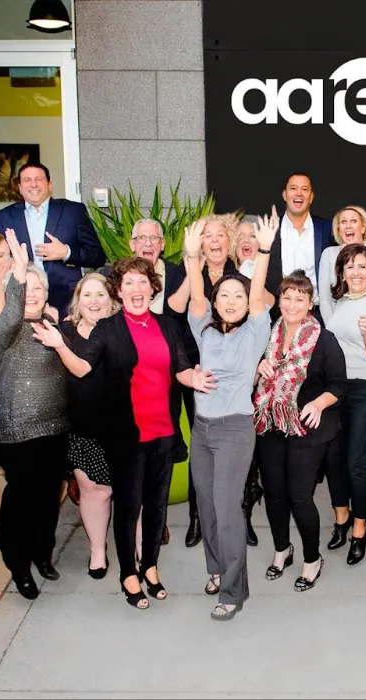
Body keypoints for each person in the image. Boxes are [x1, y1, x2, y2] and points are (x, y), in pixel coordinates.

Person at [34, 261, 210, 609]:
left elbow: (180, 367)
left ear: (152, 287)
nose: (136, 288)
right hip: (126, 434)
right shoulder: (108, 328)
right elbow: (82, 368)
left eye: (142, 281)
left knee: (155, 505)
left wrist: (196, 379)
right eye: (128, 282)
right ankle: (128, 574)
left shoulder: (167, 325)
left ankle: (150, 567)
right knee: (128, 506)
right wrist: (60, 345)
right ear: (119, 290)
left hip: (163, 430)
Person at [183, 210, 277, 621]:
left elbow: (256, 298)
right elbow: (197, 297)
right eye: (225, 295)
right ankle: (217, 568)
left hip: (235, 430)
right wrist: (192, 257)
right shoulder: (204, 328)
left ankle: (234, 590)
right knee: (206, 507)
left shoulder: (255, 332)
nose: (232, 300)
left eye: (239, 295)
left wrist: (265, 251)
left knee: (227, 508)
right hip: (202, 429)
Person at [168, 213, 261, 549]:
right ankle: (198, 517)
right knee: (203, 449)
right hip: (198, 372)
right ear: (200, 242)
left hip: (237, 373)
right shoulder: (188, 270)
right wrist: (194, 263)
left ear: (229, 240)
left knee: (239, 453)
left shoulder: (241, 274)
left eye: (220, 234)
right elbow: (175, 309)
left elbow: (261, 316)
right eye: (207, 235)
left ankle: (242, 516)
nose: (215, 240)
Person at [0, 232, 69, 600]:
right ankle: (18, 562)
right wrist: (18, 276)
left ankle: (42, 552)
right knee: (23, 497)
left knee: (49, 496)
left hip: (56, 427)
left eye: (38, 287)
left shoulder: (55, 326)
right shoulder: (5, 328)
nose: (32, 293)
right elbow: (6, 320)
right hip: (16, 428)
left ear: (47, 294)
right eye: (26, 288)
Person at [253, 271, 346, 591]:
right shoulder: (266, 334)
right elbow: (248, 370)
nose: (292, 304)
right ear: (279, 300)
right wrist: (257, 368)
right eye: (287, 297)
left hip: (308, 428)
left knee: (300, 497)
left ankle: (311, 559)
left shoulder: (324, 339)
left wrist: (319, 403)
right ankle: (282, 550)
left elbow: (339, 385)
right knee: (274, 494)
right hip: (271, 423)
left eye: (300, 298)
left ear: (310, 304)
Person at [325, 243, 366, 564]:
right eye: (349, 266)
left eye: (362, 266)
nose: (355, 272)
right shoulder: (338, 303)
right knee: (333, 459)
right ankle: (341, 518)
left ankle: (360, 529)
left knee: (356, 461)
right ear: (342, 273)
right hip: (336, 389)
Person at [129, 217, 191, 549]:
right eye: (142, 238)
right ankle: (139, 518)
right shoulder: (116, 275)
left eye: (154, 239)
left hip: (168, 381)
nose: (148, 244)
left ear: (163, 245)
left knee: (162, 454)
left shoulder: (180, 275)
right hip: (130, 383)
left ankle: (157, 517)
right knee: (135, 454)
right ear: (131, 244)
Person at [58, 273, 119, 581]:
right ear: (77, 301)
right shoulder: (64, 333)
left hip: (121, 428)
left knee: (126, 490)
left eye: (100, 295)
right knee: (94, 491)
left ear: (112, 301)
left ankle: (137, 549)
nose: (94, 301)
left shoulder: (122, 330)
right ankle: (97, 550)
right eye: (88, 295)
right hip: (81, 428)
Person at [0, 162, 106, 313]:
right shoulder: (4, 217)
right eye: (27, 180)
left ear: (50, 184)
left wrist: (66, 252)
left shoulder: (73, 211)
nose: (33, 184)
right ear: (19, 187)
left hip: (67, 300)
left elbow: (97, 256)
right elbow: (0, 259)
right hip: (23, 300)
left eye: (39, 179)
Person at [265, 172, 335, 315]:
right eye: (293, 188)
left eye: (304, 189)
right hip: (277, 313)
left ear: (311, 197)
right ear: (284, 195)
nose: (299, 193)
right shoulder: (269, 229)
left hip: (317, 312)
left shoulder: (327, 228)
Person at [318, 205, 366, 321]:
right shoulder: (329, 254)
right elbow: (325, 299)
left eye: (353, 221)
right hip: (337, 322)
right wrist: (332, 327)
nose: (348, 226)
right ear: (338, 229)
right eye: (343, 222)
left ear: (363, 228)